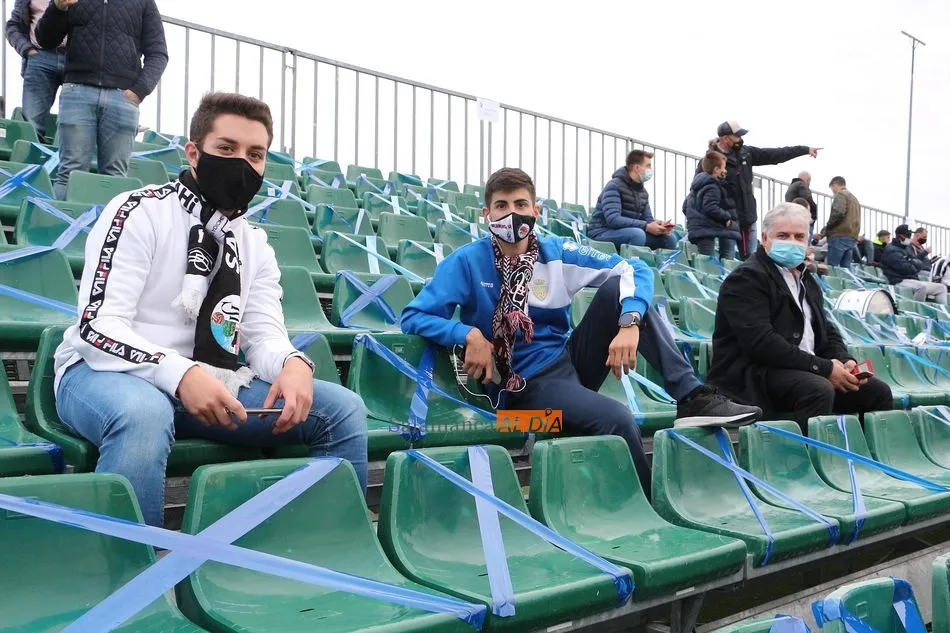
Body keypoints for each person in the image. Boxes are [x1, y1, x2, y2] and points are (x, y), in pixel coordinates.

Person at [52, 93, 369, 527]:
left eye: (254, 154)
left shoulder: (254, 243)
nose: (242, 163)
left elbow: (262, 334)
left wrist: (292, 362)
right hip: (104, 373)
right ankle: (128, 562)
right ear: (194, 152)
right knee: (145, 413)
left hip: (212, 382)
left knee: (342, 409)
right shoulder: (138, 210)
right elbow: (97, 326)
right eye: (226, 148)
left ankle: (332, 547)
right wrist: (180, 373)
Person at [401, 167, 762, 495]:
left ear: (536, 210)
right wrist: (468, 334)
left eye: (520, 204)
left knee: (621, 291)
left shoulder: (556, 252)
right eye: (501, 205)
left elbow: (633, 269)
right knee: (617, 418)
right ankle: (650, 505)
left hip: (567, 361)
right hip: (522, 390)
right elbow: (415, 316)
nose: (512, 213)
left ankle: (691, 396)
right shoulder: (466, 261)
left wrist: (629, 323)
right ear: (486, 214)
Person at [708, 202, 893, 432]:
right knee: (818, 388)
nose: (792, 242)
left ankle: (863, 454)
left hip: (800, 371)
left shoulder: (806, 280)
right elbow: (761, 343)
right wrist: (824, 368)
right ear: (765, 238)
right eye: (783, 235)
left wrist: (844, 359)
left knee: (877, 392)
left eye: (799, 237)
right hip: (753, 376)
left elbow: (826, 331)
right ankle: (803, 454)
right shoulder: (747, 278)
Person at [36, 0, 168, 199]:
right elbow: (45, 40)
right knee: (69, 174)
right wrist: (57, 8)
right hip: (77, 91)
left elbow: (158, 53)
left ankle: (114, 222)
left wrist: (139, 91)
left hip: (122, 99)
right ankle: (60, 221)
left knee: (115, 178)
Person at [707, 121, 819, 259]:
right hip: (728, 218)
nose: (740, 139)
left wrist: (804, 150)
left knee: (751, 258)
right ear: (725, 138)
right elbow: (701, 188)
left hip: (748, 217)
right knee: (727, 257)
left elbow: (775, 154)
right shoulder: (711, 160)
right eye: (737, 136)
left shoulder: (746, 153)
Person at [587, 149, 677, 251]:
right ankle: (632, 261)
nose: (650, 170)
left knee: (670, 239)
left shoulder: (643, 192)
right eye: (648, 166)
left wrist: (659, 227)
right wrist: (646, 226)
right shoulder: (614, 185)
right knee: (637, 235)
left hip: (629, 231)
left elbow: (648, 220)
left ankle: (659, 262)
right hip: (602, 232)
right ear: (637, 168)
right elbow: (613, 219)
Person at [5, 0, 65, 140]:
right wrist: (27, 49)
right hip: (40, 58)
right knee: (31, 128)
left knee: (74, 127)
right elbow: (13, 26)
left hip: (77, 60)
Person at [685, 150, 740, 259]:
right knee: (707, 261)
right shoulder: (713, 186)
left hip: (697, 227)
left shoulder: (697, 185)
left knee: (704, 259)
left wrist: (696, 217)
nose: (725, 171)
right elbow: (710, 207)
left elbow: (685, 206)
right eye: (723, 168)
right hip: (705, 230)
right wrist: (726, 217)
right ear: (716, 170)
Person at [882, 224, 948, 305]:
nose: (909, 237)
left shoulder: (906, 248)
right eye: (907, 235)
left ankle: (944, 312)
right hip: (898, 280)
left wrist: (912, 263)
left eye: (910, 235)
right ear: (900, 236)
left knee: (942, 288)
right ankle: (919, 311)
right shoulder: (891, 249)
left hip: (912, 279)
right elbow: (905, 268)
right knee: (921, 287)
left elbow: (917, 262)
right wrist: (913, 264)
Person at [817, 176, 860, 268]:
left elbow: (838, 213)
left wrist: (827, 228)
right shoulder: (854, 199)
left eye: (832, 188)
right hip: (851, 236)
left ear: (835, 185)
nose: (832, 191)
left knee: (832, 268)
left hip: (839, 236)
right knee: (845, 270)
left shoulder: (841, 194)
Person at [785, 171, 818, 235]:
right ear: (808, 179)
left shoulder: (791, 187)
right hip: (804, 218)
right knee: (806, 237)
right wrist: (815, 209)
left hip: (794, 217)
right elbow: (807, 198)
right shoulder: (801, 184)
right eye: (809, 180)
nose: (809, 183)